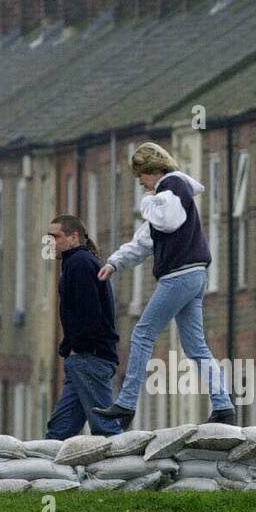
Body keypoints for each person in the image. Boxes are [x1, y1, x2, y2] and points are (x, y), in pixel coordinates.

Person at [93, 141, 235, 428]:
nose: (140, 183)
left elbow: (166, 221)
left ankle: (126, 403)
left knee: (142, 334)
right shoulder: (170, 194)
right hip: (195, 276)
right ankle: (224, 406)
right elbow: (146, 239)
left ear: (152, 169)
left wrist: (147, 201)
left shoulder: (170, 187)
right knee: (196, 346)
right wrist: (115, 262)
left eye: (141, 176)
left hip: (178, 276)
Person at [44, 215, 123, 440]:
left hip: (90, 358)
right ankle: (51, 473)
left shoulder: (79, 264)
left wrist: (75, 346)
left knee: (107, 429)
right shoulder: (78, 263)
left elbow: (90, 314)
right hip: (83, 359)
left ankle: (126, 472)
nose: (51, 242)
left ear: (74, 236)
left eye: (56, 237)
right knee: (59, 430)